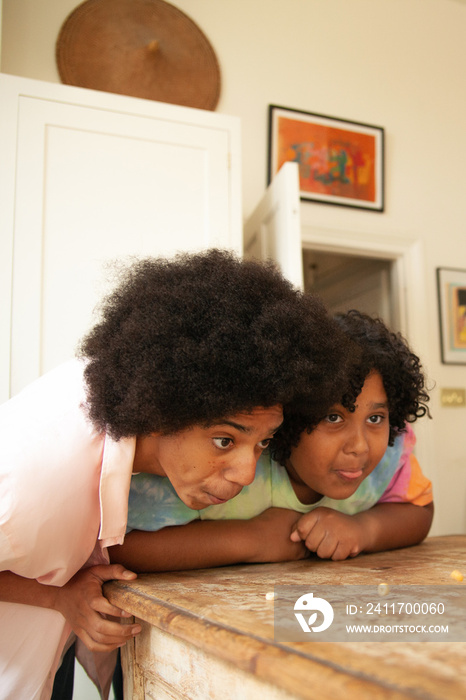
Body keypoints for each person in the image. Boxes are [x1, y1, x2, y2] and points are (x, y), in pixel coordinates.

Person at [0, 249, 358, 700]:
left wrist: (63, 597)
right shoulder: (32, 484)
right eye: (225, 440)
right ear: (160, 406)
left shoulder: (106, 392)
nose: (247, 473)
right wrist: (55, 598)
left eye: (262, 442)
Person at [110, 310, 433, 573]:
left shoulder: (390, 452)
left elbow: (420, 509)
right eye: (333, 418)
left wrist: (364, 530)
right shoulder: (228, 460)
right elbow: (119, 546)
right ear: (287, 417)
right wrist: (252, 539)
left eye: (375, 419)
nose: (360, 446)